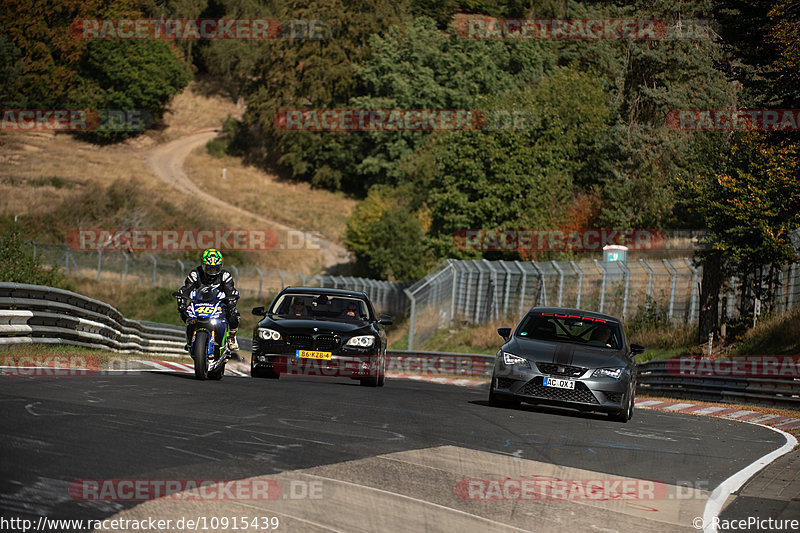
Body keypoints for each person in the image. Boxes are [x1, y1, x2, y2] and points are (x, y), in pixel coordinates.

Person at [178, 248, 241, 356]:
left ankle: (231, 336)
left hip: (218, 304)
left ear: (220, 266)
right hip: (198, 303)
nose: (212, 271)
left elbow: (230, 292)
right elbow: (186, 288)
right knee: (184, 310)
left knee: (233, 313)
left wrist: (231, 302)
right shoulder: (195, 274)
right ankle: (192, 336)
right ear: (203, 266)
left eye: (215, 268)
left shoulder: (225, 276)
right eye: (209, 268)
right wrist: (182, 299)